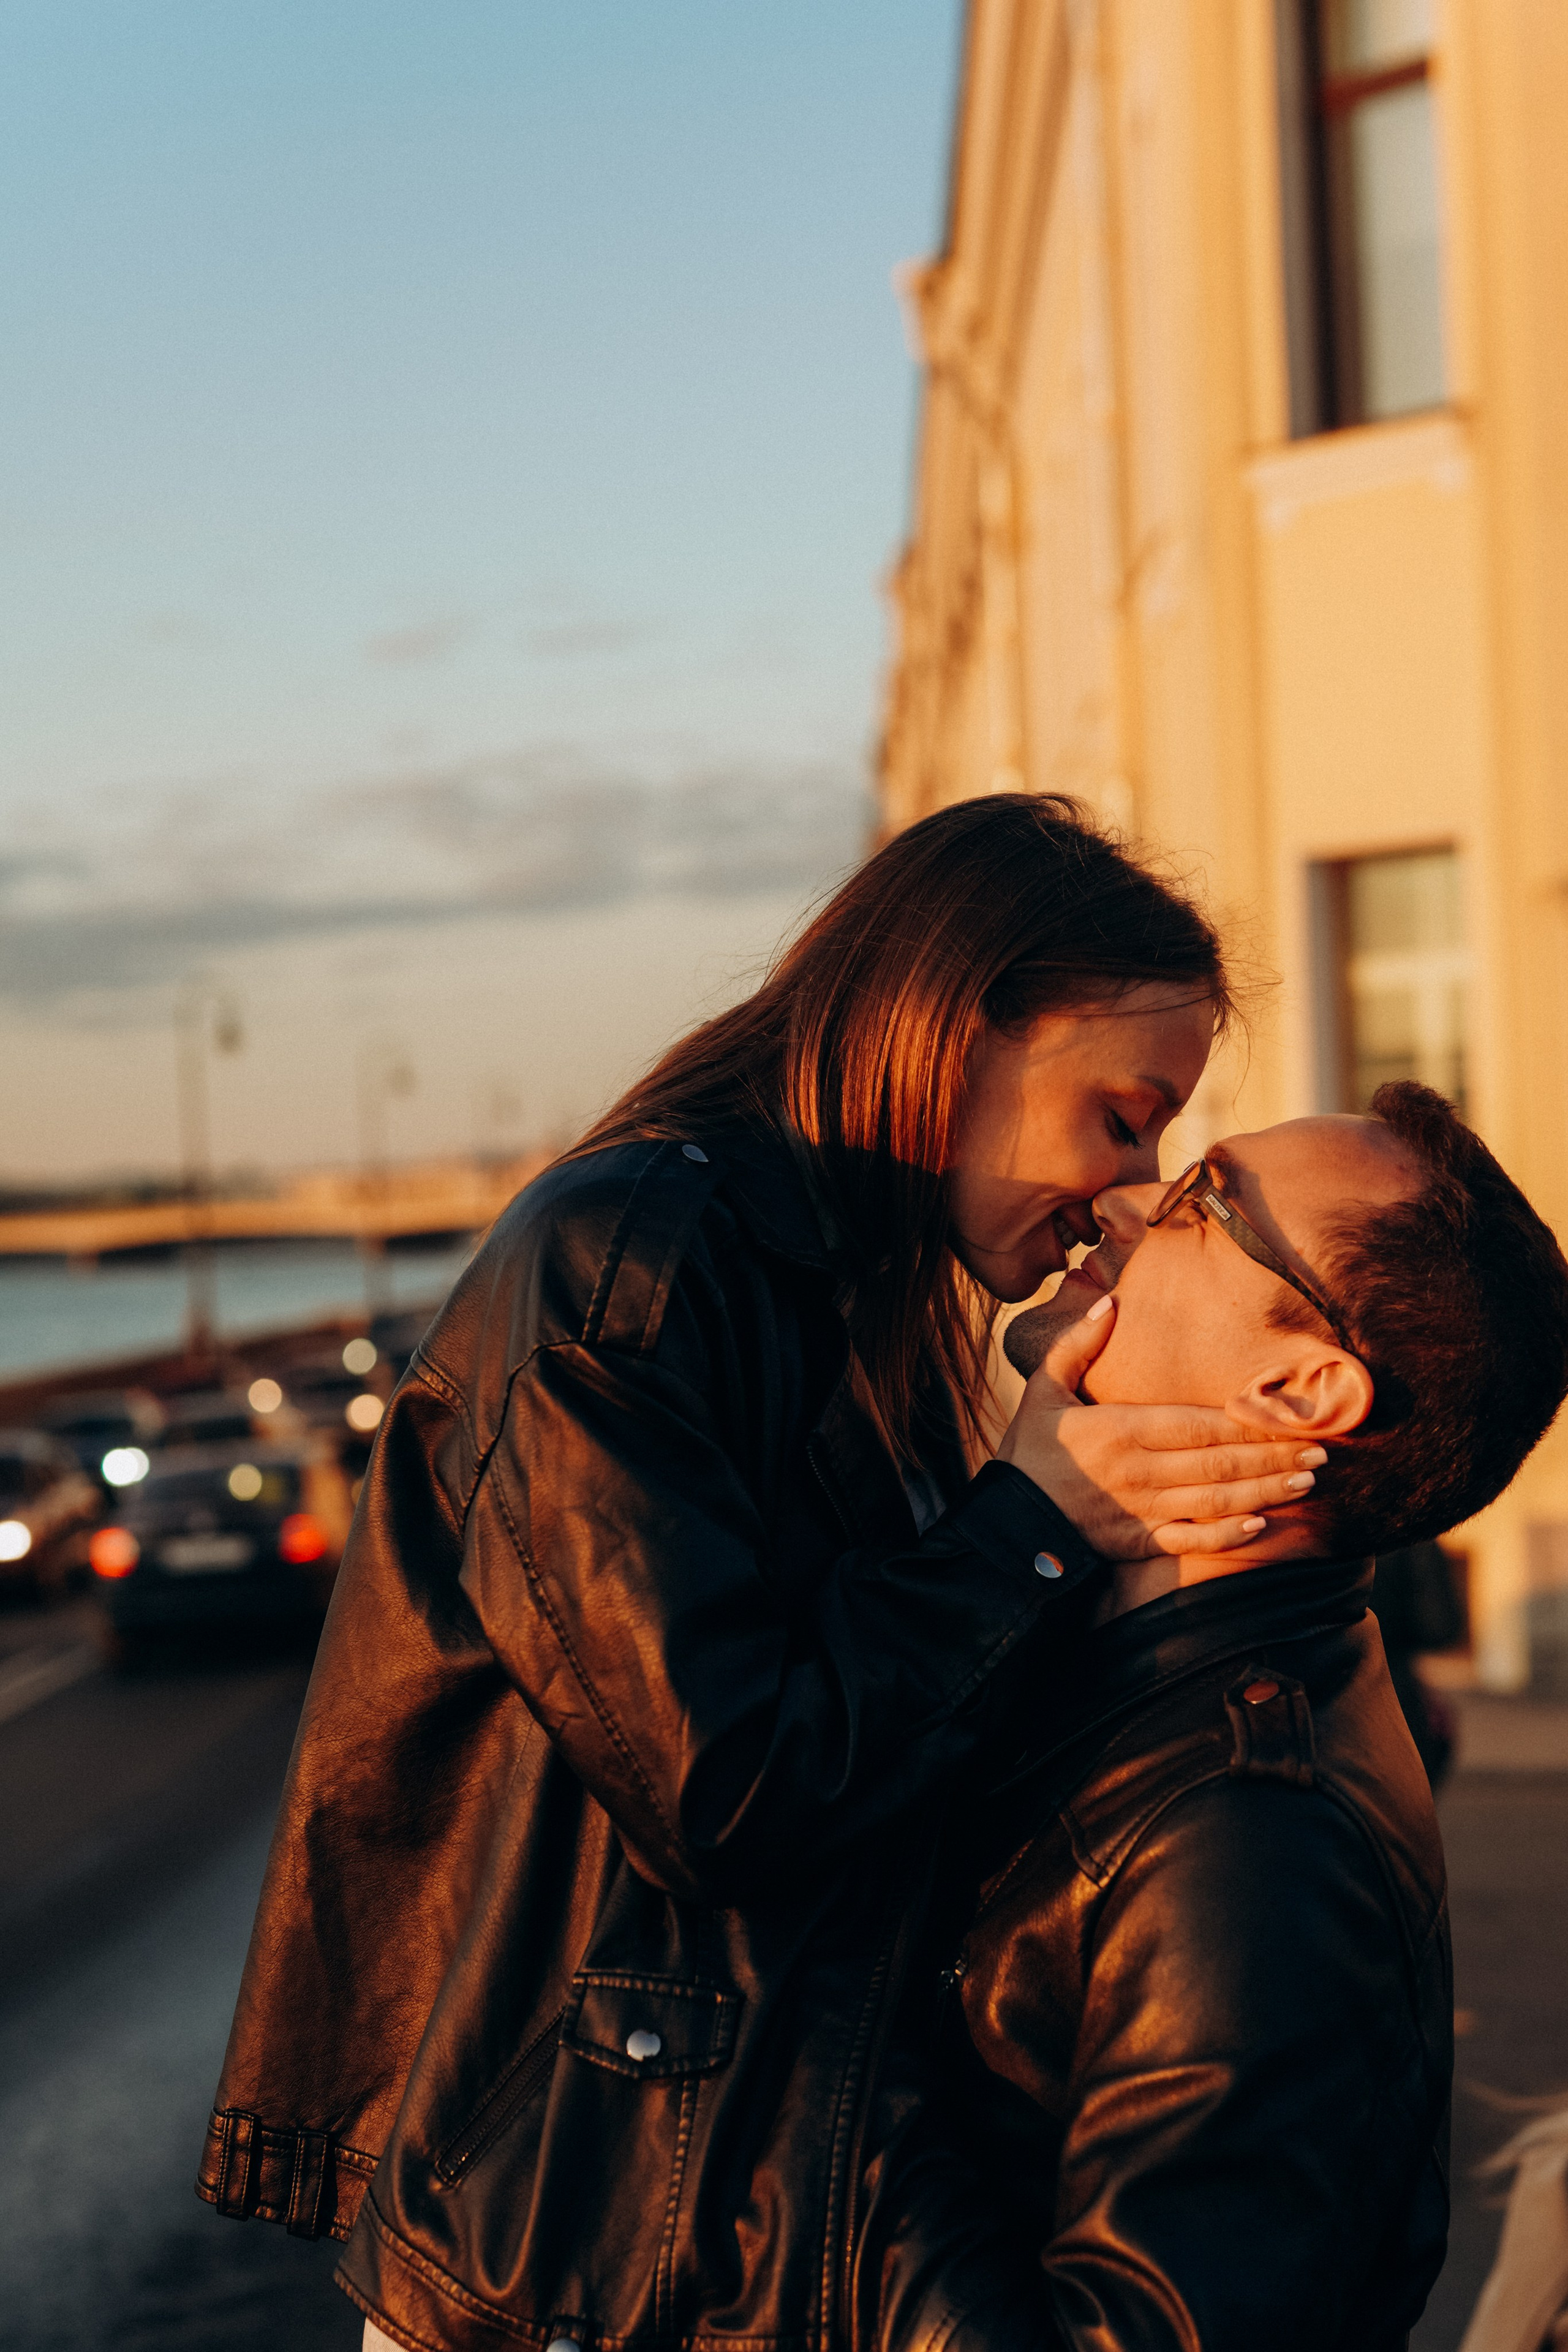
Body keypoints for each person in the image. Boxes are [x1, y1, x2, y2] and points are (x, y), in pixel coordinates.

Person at [193, 797, 1316, 2352]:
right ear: (955, 1026)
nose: (1130, 1182)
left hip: (688, 2241)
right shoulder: (630, 1266)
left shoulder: (843, 1295)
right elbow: (717, 1779)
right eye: (1123, 1116)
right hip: (569, 2263)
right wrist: (1033, 1523)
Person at [858, 1082, 1568, 2352]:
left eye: (1199, 1202)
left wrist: (811, 2065)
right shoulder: (1115, 1660)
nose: (1119, 1199)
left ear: (1297, 1391)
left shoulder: (1249, 1835)